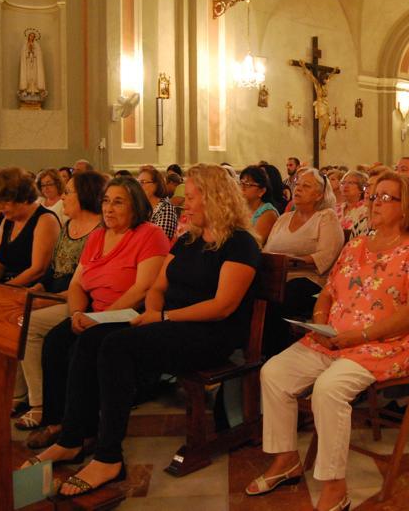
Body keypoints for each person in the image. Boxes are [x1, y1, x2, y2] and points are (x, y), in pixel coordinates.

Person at [25, 164, 261, 499]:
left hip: (210, 335)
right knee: (90, 337)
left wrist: (163, 317)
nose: (185, 204)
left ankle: (108, 457)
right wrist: (153, 310)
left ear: (217, 199)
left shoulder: (240, 244)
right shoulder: (188, 239)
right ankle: (71, 438)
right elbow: (158, 284)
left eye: (192, 197)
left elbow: (222, 306)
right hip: (169, 321)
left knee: (116, 347)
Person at [248, 172, 409, 511]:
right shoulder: (355, 244)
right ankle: (287, 459)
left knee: (328, 389)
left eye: (385, 197)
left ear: (406, 206)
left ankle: (335, 487)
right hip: (335, 338)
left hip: (384, 344)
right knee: (275, 372)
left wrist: (360, 334)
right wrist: (321, 320)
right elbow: (327, 291)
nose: (374, 202)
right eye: (373, 195)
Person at [16, 176, 165, 440]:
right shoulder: (98, 236)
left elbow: (142, 288)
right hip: (92, 312)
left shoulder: (149, 235)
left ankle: (81, 428)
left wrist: (100, 318)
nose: (108, 209)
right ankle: (57, 417)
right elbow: (77, 284)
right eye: (106, 201)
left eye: (118, 202)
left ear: (136, 206)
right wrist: (77, 313)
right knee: (55, 342)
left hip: (129, 316)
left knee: (81, 349)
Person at [0, 168, 61, 405]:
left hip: (33, 287)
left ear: (22, 197)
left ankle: (15, 391)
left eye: (6, 202)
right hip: (9, 286)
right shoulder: (8, 221)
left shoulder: (45, 220)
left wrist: (3, 290)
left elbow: (38, 269)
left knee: (3, 316)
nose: (2, 208)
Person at [262, 167, 344, 356]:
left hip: (309, 280)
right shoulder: (284, 218)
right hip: (276, 278)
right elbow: (267, 250)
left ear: (319, 195)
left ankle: (274, 354)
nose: (298, 189)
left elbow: (326, 255)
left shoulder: (326, 217)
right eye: (297, 184)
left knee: (276, 301)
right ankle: (251, 352)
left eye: (306, 186)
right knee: (251, 297)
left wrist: (290, 261)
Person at [240, 165, 280, 244]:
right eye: (241, 183)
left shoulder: (268, 213)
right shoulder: (240, 209)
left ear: (262, 191)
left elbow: (254, 244)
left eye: (248, 184)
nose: (242, 187)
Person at [137, 167, 179, 240]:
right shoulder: (139, 207)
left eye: (143, 182)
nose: (139, 186)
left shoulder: (166, 209)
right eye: (138, 183)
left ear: (156, 185)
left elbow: (160, 240)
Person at [334, 170, 369, 238]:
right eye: (343, 183)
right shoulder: (336, 208)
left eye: (350, 183)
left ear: (361, 188)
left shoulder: (366, 209)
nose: (345, 186)